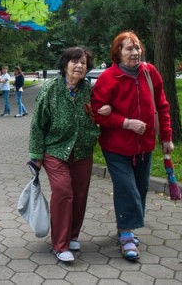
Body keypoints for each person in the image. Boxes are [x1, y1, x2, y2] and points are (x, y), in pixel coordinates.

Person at [90, 31, 174, 261]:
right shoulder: (108, 78)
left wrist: (166, 137)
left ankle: (126, 226)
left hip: (144, 146)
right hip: (116, 147)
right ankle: (126, 233)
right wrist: (125, 123)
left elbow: (163, 106)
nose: (135, 53)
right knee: (126, 188)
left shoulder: (150, 73)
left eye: (137, 48)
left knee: (140, 188)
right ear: (118, 53)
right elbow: (97, 113)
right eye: (129, 48)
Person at [29, 47, 110, 263]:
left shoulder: (88, 89)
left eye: (83, 62)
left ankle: (73, 235)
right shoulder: (50, 90)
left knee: (80, 193)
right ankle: (60, 244)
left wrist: (104, 113)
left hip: (82, 149)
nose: (79, 66)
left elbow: (99, 111)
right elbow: (37, 125)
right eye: (75, 61)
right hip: (55, 150)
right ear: (65, 65)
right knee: (64, 191)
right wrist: (36, 156)